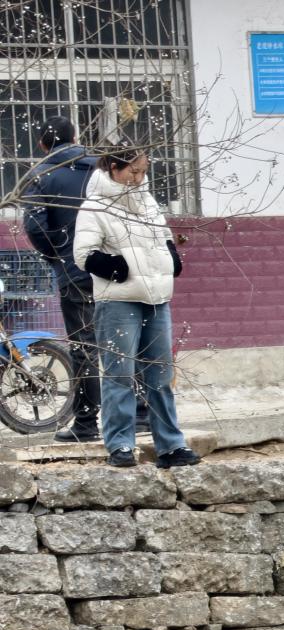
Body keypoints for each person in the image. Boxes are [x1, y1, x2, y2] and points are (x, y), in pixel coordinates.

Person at [72, 145, 198, 469]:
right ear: (114, 168)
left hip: (157, 298)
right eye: (133, 170)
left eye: (143, 171)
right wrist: (118, 269)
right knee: (120, 375)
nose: (139, 177)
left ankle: (171, 446)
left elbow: (163, 237)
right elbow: (83, 254)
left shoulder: (147, 201)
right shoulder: (95, 206)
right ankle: (120, 445)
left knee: (160, 375)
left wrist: (172, 258)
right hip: (118, 301)